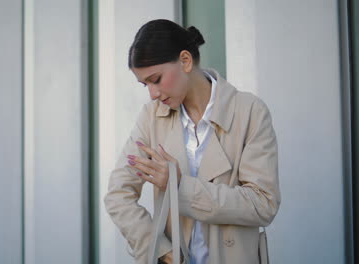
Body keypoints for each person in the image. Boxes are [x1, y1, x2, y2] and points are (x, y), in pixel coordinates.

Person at [104, 19, 281, 264]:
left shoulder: (249, 111)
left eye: (156, 79)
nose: (152, 94)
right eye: (145, 84)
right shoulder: (151, 117)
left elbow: (263, 203)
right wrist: (163, 252)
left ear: (185, 61)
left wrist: (179, 187)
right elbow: (118, 194)